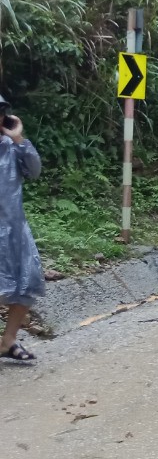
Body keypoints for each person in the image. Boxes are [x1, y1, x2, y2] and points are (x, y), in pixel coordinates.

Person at [0, 102, 43, 362]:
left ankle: (8, 341)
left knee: (27, 282)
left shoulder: (11, 146)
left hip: (14, 227)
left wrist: (19, 138)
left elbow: (34, 171)